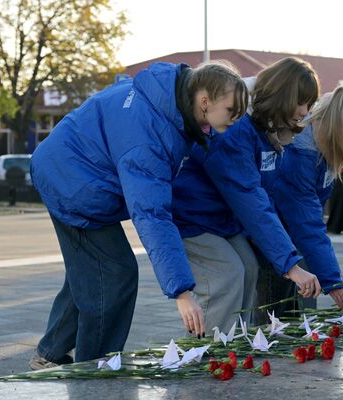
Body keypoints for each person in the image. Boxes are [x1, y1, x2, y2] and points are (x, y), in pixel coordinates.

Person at [28, 61, 248, 368]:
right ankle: (95, 371)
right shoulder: (150, 137)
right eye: (231, 112)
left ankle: (48, 355)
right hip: (72, 184)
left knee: (90, 275)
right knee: (116, 275)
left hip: (66, 165)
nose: (235, 120)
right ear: (204, 101)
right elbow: (152, 214)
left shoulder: (168, 98)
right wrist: (182, 292)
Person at [171, 57, 322, 333]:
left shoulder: (267, 131)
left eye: (309, 104)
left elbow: (263, 197)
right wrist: (290, 265)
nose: (305, 111)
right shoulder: (237, 127)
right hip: (192, 216)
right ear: (282, 95)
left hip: (220, 219)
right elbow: (249, 197)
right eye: (301, 101)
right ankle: (210, 355)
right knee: (228, 275)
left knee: (249, 268)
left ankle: (233, 343)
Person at [268, 86, 343, 313]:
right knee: (279, 305)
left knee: (301, 297)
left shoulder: (324, 154)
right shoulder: (302, 158)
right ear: (333, 129)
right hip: (274, 236)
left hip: (289, 235)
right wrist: (333, 281)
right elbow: (307, 222)